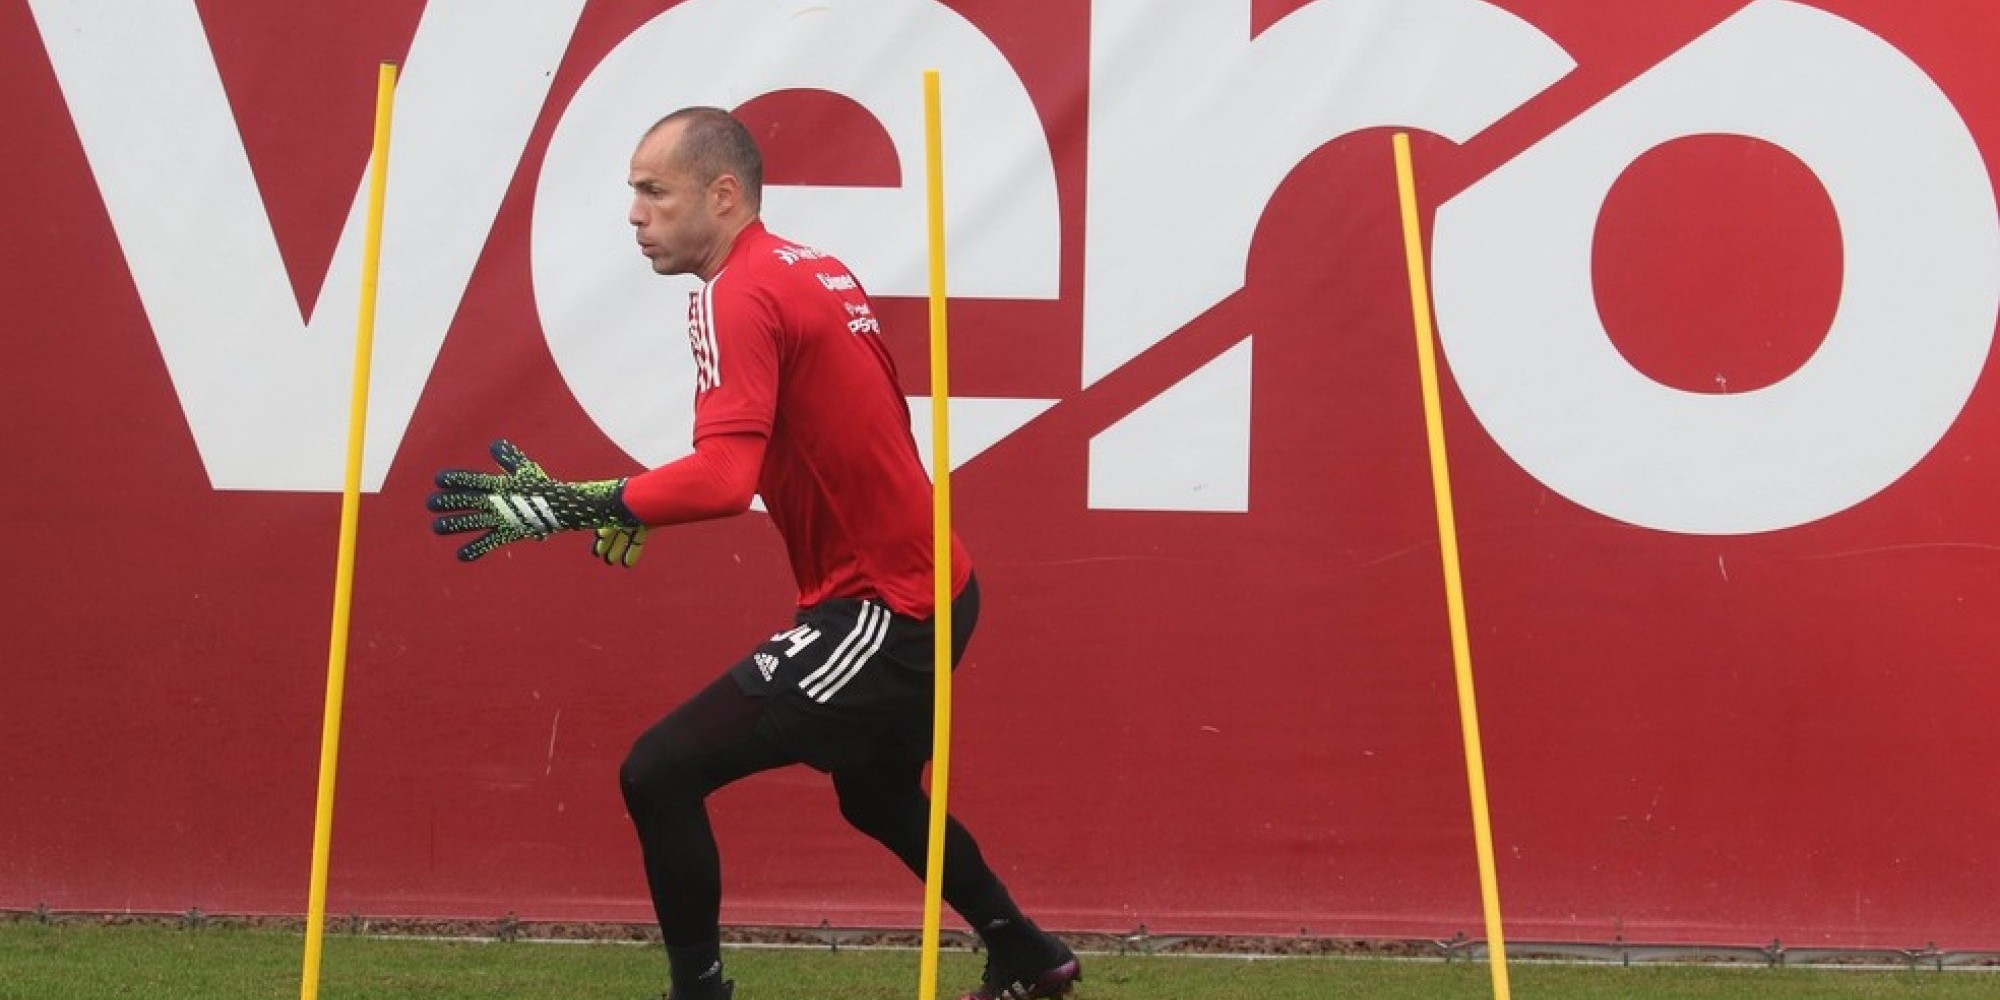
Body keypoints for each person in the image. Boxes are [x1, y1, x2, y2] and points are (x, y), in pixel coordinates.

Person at [426, 106, 1079, 1000]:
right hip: (928, 580)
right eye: (633, 193)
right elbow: (809, 438)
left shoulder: (735, 292)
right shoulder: (805, 266)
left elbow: (727, 479)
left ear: (722, 194)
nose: (634, 213)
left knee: (659, 770)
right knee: (876, 796)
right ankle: (1029, 955)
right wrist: (643, 504)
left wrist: (575, 503)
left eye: (654, 191)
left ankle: (701, 994)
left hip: (890, 605)